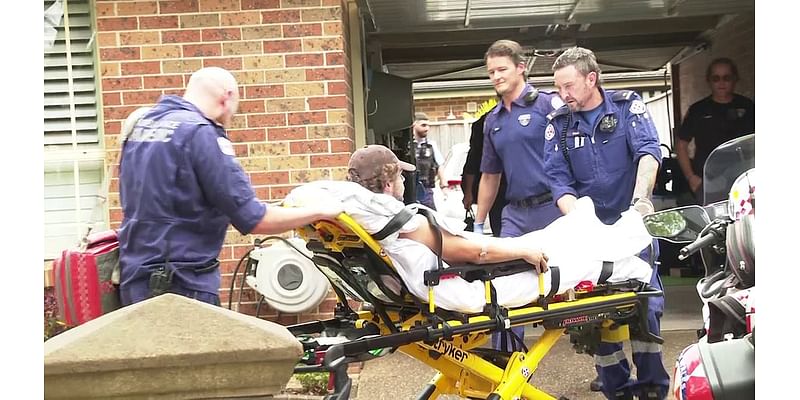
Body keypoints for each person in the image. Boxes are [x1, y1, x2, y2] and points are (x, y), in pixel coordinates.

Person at [286, 144, 655, 314]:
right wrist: (519, 252)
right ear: (387, 180)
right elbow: (464, 252)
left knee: (574, 226)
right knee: (582, 250)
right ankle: (636, 247)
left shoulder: (377, 215)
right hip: (467, 280)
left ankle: (628, 233)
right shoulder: (400, 220)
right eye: (399, 175)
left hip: (461, 271)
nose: (402, 182)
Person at [117, 67, 343, 307]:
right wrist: (321, 211)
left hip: (135, 279)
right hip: (181, 284)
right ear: (226, 97)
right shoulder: (201, 133)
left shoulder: (143, 126)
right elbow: (254, 219)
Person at [543, 47, 670, 400]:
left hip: (632, 224)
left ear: (591, 79)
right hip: (590, 231)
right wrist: (581, 220)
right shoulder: (559, 124)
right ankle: (617, 389)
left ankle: (653, 389)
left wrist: (641, 203)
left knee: (645, 306)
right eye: (558, 87)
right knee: (599, 311)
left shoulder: (628, 108)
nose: (562, 94)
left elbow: (648, 152)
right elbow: (558, 180)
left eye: (568, 86)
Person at [474, 39, 563, 351]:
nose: (496, 76)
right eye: (491, 72)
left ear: (521, 68)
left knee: (576, 289)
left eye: (502, 69)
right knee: (503, 285)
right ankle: (507, 362)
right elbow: (490, 175)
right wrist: (478, 224)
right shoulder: (492, 120)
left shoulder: (548, 105)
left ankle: (608, 367)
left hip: (554, 208)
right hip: (515, 214)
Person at [676, 57, 755, 204]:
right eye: (716, 78)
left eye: (727, 77)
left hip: (743, 179)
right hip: (708, 182)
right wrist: (691, 178)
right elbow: (681, 144)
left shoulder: (748, 106)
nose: (721, 82)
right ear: (709, 81)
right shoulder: (698, 110)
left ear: (735, 79)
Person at [461, 111, 508, 237]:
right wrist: (468, 193)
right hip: (498, 194)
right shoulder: (486, 123)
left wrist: (468, 193)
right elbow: (473, 163)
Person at [412, 112, 448, 209]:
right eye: (423, 125)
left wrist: (443, 185)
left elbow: (440, 165)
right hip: (410, 189)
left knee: (431, 217)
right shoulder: (408, 146)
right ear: (414, 125)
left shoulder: (432, 145)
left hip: (426, 189)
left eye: (428, 125)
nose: (427, 128)